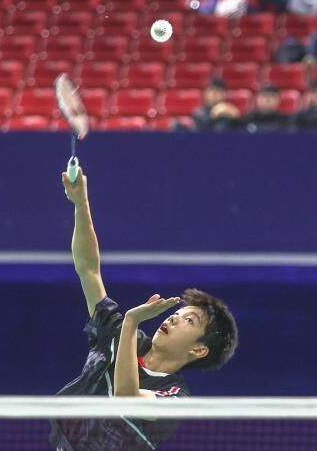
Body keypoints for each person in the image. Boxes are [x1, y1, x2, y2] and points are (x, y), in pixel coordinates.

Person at [50, 168, 239, 451]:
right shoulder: (117, 336)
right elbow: (88, 270)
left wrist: (131, 321)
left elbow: (126, 399)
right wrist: (81, 204)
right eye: (176, 313)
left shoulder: (175, 397)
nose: (174, 318)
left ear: (199, 349)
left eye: (189, 320)